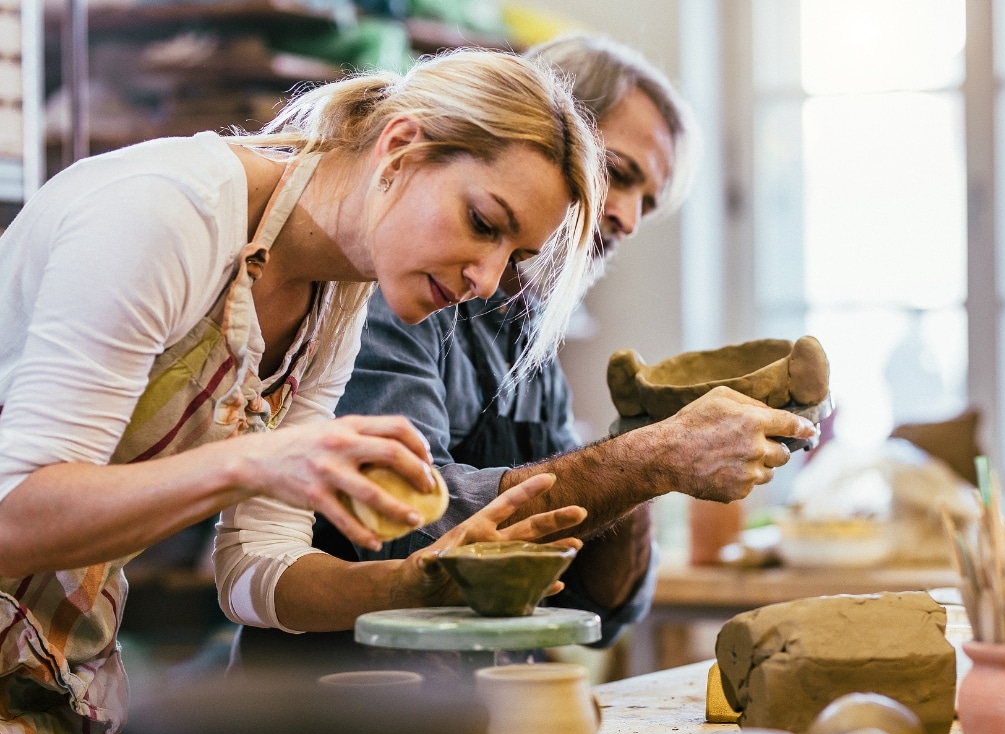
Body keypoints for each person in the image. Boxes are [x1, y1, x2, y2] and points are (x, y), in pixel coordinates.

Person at [0, 49, 604, 734]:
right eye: (483, 223)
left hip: (53, 654)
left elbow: (255, 573)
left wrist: (414, 583)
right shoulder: (167, 214)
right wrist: (257, 461)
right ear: (400, 148)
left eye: (513, 256)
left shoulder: (335, 296)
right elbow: (15, 515)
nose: (485, 278)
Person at [229, 34, 815, 670]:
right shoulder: (392, 280)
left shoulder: (524, 326)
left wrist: (646, 438)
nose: (627, 218)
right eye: (618, 175)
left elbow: (597, 607)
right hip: (343, 705)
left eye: (647, 202)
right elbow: (408, 528)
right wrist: (648, 459)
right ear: (547, 143)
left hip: (482, 705)